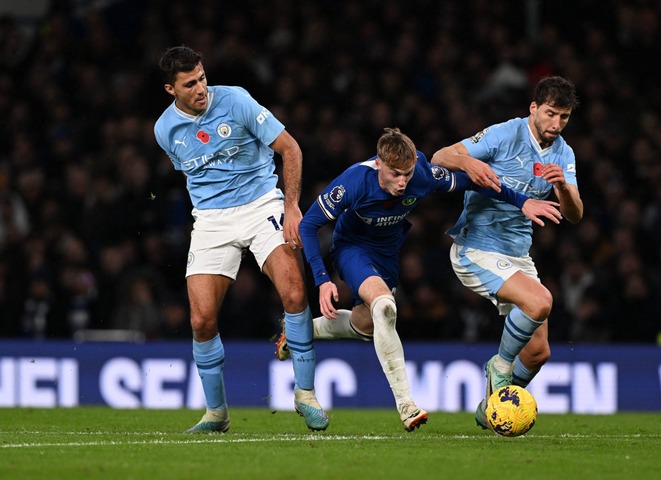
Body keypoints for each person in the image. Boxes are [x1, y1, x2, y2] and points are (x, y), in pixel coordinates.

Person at [277, 127, 562, 431]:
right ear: (379, 165)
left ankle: (298, 333)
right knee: (385, 307)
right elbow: (308, 226)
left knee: (367, 324)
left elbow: (477, 183)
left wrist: (521, 202)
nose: (402, 182)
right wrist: (322, 280)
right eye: (396, 174)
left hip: (387, 254)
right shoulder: (353, 181)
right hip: (352, 249)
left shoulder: (423, 175)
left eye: (407, 174)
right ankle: (406, 405)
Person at [153, 46, 327, 433]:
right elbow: (192, 176)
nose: (200, 87)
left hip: (260, 202)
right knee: (200, 320)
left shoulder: (236, 100)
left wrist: (293, 206)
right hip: (212, 220)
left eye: (201, 77)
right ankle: (216, 414)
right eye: (189, 83)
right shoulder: (165, 131)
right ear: (171, 89)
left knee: (296, 294)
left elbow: (290, 148)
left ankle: (305, 394)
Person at [431, 76, 583, 430]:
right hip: (476, 248)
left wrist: (562, 187)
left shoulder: (564, 152)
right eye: (550, 114)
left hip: (517, 255)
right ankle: (498, 367)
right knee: (540, 301)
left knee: (537, 352)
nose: (556, 124)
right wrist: (471, 164)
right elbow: (441, 156)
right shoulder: (505, 134)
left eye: (564, 117)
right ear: (533, 108)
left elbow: (575, 215)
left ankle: (494, 409)